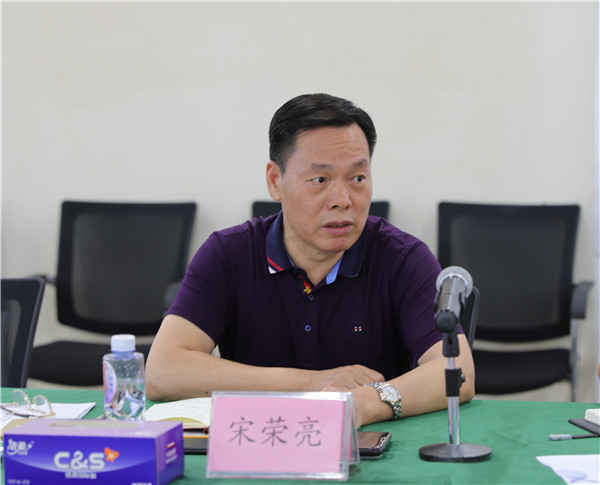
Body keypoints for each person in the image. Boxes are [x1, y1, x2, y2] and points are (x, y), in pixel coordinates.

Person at [146, 93, 475, 427]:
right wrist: (312, 383)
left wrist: (363, 403)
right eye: (320, 180)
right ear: (275, 181)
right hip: (258, 441)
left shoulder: (402, 258)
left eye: (358, 178)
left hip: (368, 444)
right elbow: (163, 371)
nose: (342, 200)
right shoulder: (228, 254)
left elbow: (457, 371)